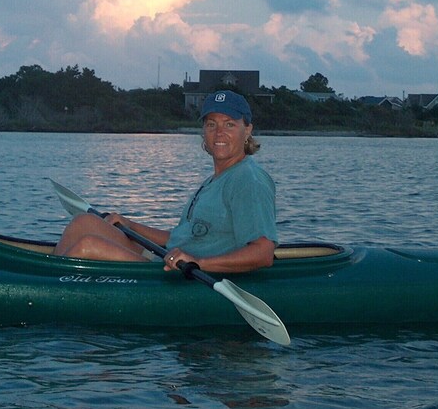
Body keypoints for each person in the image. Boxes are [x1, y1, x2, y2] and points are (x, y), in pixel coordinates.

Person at [52, 90, 277, 273]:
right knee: (83, 223)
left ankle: (47, 292)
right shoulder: (215, 180)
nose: (218, 133)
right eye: (211, 125)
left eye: (229, 124)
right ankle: (46, 278)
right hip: (168, 258)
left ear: (247, 129)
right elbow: (181, 237)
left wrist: (199, 263)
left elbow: (263, 253)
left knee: (88, 246)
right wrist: (130, 225)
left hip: (183, 273)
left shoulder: (248, 180)